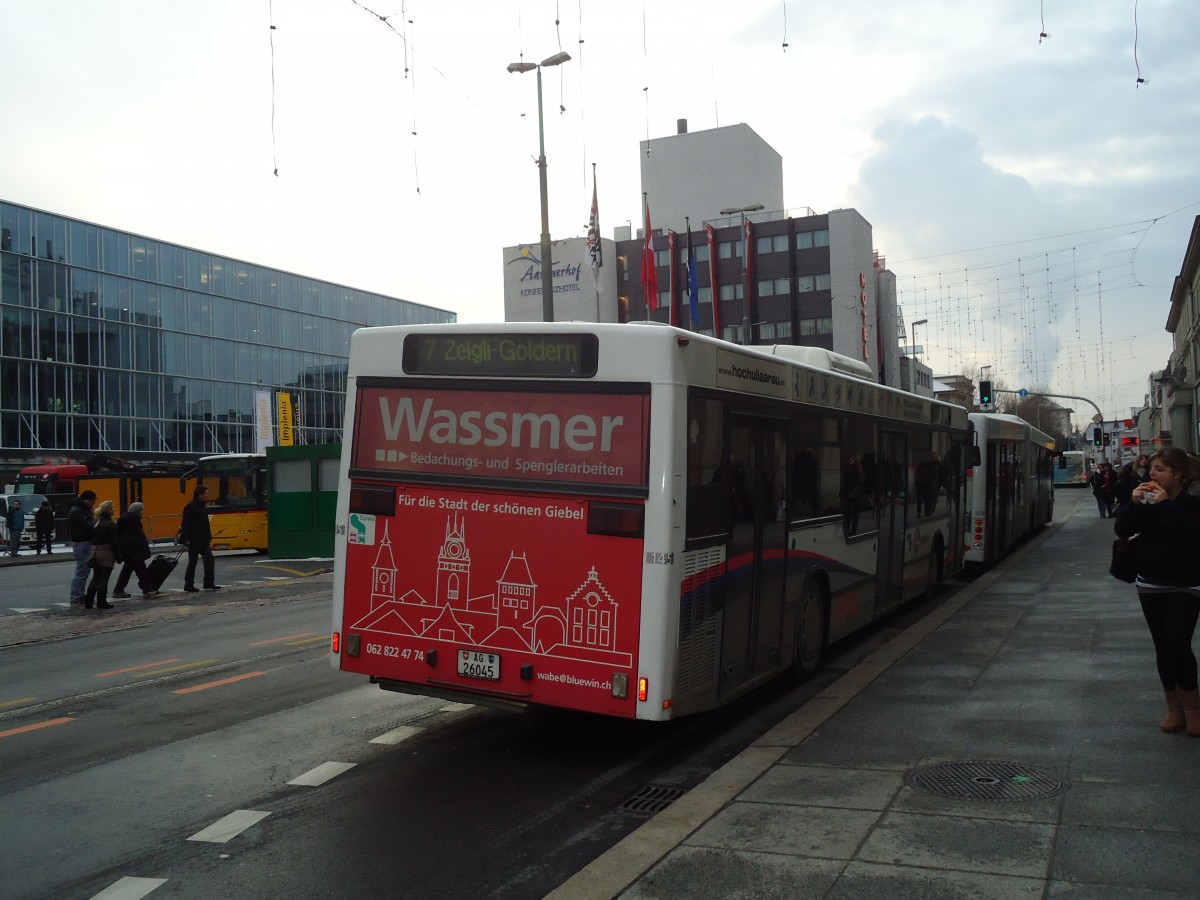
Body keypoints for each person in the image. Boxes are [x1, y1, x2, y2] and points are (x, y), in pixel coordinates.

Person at [1113, 447, 1200, 736]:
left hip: (1187, 583)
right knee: (1163, 647)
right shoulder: (1146, 501)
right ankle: (1174, 709)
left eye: (1160, 469)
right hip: (1150, 582)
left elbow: (1189, 538)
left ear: (1179, 474)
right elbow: (1122, 529)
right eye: (1151, 469)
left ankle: (1193, 708)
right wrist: (1134, 503)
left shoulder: (1192, 504)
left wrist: (1163, 506)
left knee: (1178, 644)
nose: (1152, 475)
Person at [179, 485, 220, 592]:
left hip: (204, 539)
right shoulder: (191, 507)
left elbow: (205, 524)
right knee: (192, 562)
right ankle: (188, 584)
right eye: (205, 493)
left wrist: (209, 536)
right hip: (194, 540)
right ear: (200, 495)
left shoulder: (203, 507)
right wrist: (185, 538)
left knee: (209, 560)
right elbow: (185, 523)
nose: (207, 495)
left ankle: (208, 582)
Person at [83, 500, 121, 610]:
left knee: (95, 577)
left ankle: (89, 602)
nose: (114, 509)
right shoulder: (110, 524)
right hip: (107, 551)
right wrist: (118, 556)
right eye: (112, 508)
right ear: (108, 510)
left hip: (95, 551)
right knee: (104, 578)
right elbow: (114, 541)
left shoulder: (95, 523)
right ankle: (101, 602)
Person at [113, 502, 154, 599]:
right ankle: (147, 590)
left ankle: (119, 590)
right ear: (138, 511)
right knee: (141, 570)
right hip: (134, 551)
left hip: (131, 551)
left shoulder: (127, 519)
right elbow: (129, 538)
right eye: (141, 511)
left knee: (128, 570)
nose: (142, 513)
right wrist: (132, 553)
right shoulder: (130, 521)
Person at [67, 489, 97, 605]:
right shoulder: (78, 511)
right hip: (82, 542)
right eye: (93, 501)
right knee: (82, 571)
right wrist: (94, 521)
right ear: (87, 500)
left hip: (82, 542)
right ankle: (76, 596)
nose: (93, 503)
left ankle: (79, 595)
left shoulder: (80, 509)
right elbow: (88, 525)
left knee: (83, 571)